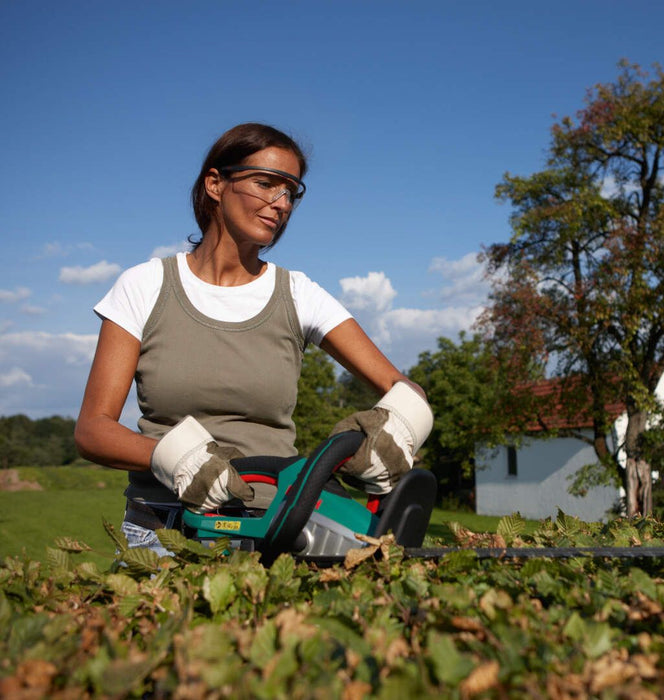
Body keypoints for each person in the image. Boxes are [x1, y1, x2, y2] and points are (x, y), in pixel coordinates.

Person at [74, 122, 431, 556]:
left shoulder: (298, 294)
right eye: (265, 184)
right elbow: (93, 430)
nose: (280, 204)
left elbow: (404, 390)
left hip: (279, 528)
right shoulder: (144, 286)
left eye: (291, 193)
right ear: (215, 184)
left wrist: (399, 429)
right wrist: (173, 459)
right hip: (166, 530)